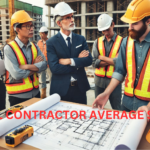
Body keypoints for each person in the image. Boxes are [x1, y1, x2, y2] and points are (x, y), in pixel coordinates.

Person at [92, 0, 150, 112]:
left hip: (146, 108)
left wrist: (148, 107)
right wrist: (106, 93)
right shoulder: (126, 42)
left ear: (148, 21)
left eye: (135, 23)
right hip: (126, 105)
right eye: (129, 23)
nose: (130, 27)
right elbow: (119, 72)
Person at [46, 2, 92, 104]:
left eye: (72, 16)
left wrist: (70, 61)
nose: (72, 20)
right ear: (59, 23)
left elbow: (89, 60)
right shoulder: (51, 42)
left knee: (81, 118)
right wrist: (78, 62)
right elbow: (55, 68)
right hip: (61, 91)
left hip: (80, 89)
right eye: (67, 17)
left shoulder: (80, 39)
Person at [4, 10, 47, 106]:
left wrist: (26, 66)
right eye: (28, 26)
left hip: (36, 93)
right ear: (17, 29)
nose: (31, 29)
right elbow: (16, 74)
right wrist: (35, 67)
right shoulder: (9, 49)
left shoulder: (34, 46)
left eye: (32, 26)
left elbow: (44, 65)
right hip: (18, 97)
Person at [92, 14, 123, 110]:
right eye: (103, 30)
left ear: (113, 24)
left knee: (117, 109)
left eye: (107, 29)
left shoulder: (122, 42)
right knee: (97, 108)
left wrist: (102, 58)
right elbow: (94, 63)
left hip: (114, 83)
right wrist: (112, 60)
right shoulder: (97, 42)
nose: (105, 32)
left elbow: (121, 62)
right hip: (99, 83)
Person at [37, 26, 52, 98]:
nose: (41, 35)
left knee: (52, 80)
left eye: (42, 34)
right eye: (40, 34)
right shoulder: (39, 42)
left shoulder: (50, 42)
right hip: (42, 65)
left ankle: (52, 95)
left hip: (49, 65)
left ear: (46, 34)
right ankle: (43, 96)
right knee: (42, 81)